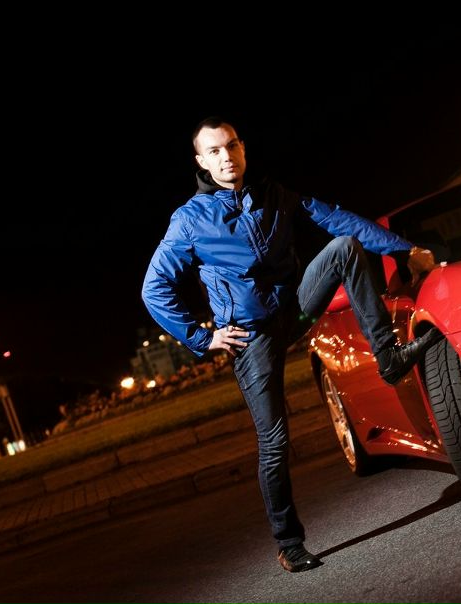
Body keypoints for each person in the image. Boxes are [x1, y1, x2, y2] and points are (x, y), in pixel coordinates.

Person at [142, 116, 440, 573]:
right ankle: (288, 542)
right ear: (201, 162)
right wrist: (203, 337)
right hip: (250, 337)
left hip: (294, 310)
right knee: (275, 439)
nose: (226, 157)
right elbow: (154, 288)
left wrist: (403, 248)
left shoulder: (273, 195)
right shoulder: (190, 221)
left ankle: (388, 356)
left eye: (231, 146)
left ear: (243, 148)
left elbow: (335, 216)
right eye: (214, 151)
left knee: (343, 247)